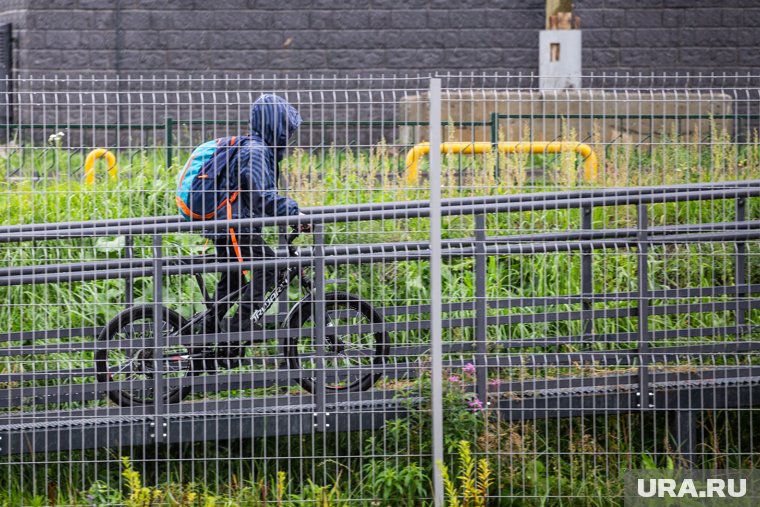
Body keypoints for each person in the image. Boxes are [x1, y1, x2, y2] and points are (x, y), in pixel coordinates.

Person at [176, 94, 309, 337]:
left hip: (227, 224)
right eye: (286, 129)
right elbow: (261, 197)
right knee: (269, 267)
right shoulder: (256, 151)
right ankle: (238, 330)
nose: (289, 136)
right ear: (275, 126)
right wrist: (294, 213)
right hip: (233, 227)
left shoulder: (256, 148)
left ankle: (204, 337)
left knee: (234, 282)